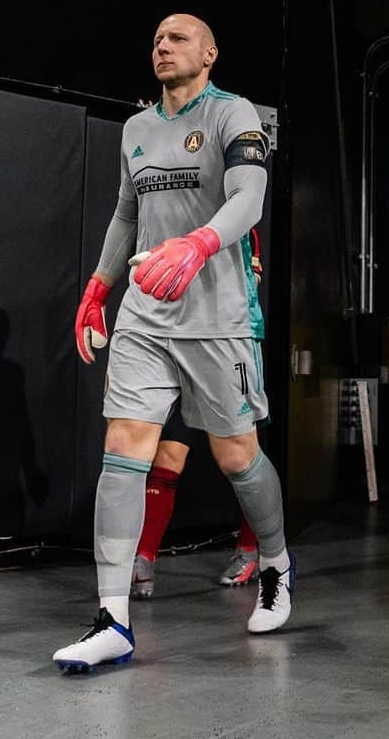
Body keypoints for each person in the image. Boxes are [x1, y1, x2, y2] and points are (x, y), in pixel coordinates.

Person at [54, 13, 291, 674]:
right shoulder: (135, 128)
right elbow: (126, 213)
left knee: (237, 454)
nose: (162, 44)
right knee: (124, 447)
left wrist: (200, 242)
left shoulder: (232, 113)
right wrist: (98, 286)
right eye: (155, 36)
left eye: (178, 36)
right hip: (145, 315)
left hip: (219, 317)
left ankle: (274, 561)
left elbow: (250, 196)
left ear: (210, 51)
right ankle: (111, 617)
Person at [131, 228, 267, 598]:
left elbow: (245, 286)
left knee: (239, 459)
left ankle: (254, 550)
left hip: (225, 348)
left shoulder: (236, 224)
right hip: (177, 348)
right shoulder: (165, 214)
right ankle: (143, 561)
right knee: (168, 453)